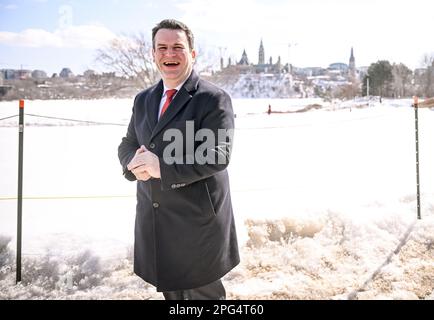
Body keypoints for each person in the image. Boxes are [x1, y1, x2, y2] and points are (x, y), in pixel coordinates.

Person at [118, 19, 240, 300]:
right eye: (162, 47)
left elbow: (217, 155)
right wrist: (132, 164)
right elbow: (128, 144)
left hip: (198, 222)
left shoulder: (213, 98)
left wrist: (160, 167)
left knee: (203, 298)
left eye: (177, 47)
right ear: (153, 54)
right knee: (173, 297)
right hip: (157, 217)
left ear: (192, 54)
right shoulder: (143, 99)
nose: (169, 54)